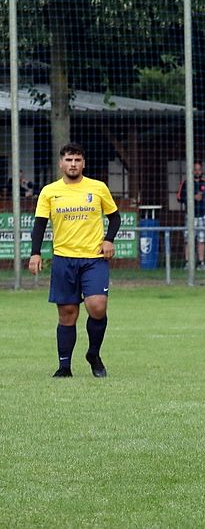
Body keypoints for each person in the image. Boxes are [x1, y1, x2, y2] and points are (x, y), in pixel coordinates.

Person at [28, 143, 120, 378]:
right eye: (69, 160)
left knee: (97, 307)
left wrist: (108, 240)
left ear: (83, 163)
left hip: (94, 259)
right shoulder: (49, 191)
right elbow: (40, 224)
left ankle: (93, 355)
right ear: (61, 163)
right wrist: (35, 253)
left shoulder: (98, 188)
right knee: (67, 313)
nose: (73, 164)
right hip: (64, 259)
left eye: (77, 160)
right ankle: (64, 367)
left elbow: (115, 218)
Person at [177, 160, 205, 270]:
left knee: (201, 240)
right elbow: (179, 198)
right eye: (195, 170)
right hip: (191, 215)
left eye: (199, 169)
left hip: (204, 215)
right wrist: (192, 197)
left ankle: (201, 262)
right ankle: (188, 262)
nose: (197, 172)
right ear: (191, 171)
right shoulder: (186, 183)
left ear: (201, 171)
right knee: (188, 239)